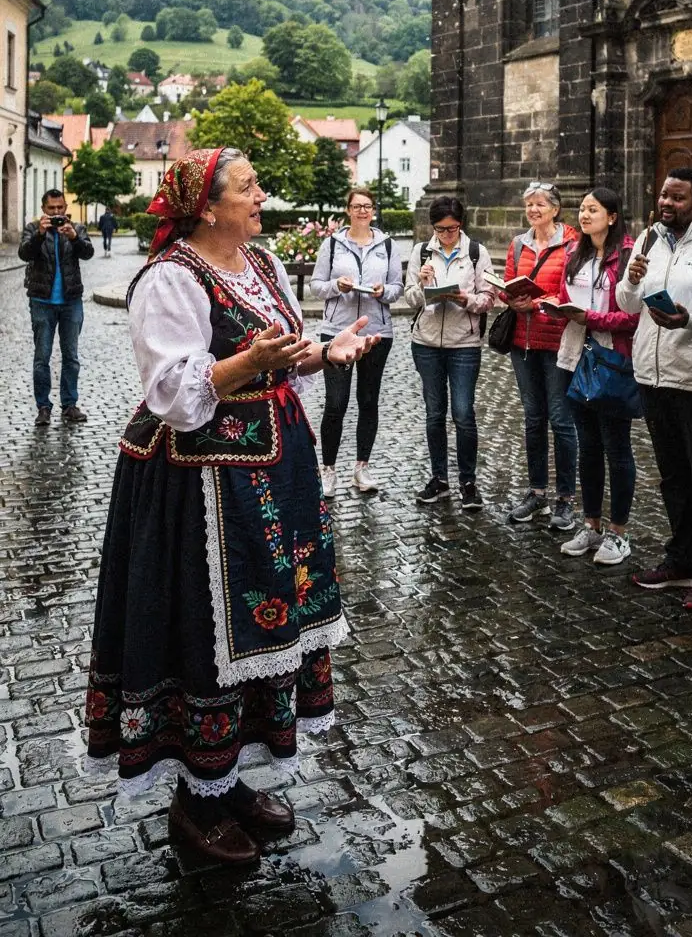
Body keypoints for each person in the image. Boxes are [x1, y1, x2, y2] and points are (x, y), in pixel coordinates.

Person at [84, 148, 378, 865]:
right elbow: (176, 396)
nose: (261, 194)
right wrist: (252, 363)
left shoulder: (267, 264)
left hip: (273, 473)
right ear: (207, 206)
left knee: (265, 618)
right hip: (198, 486)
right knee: (206, 628)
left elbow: (285, 348)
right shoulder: (170, 279)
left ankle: (232, 778)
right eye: (248, 187)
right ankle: (196, 800)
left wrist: (322, 351)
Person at [618, 169, 692, 612]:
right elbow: (627, 305)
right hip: (652, 376)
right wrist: (631, 279)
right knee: (672, 475)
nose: (667, 202)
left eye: (678, 197)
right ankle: (680, 558)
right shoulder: (648, 241)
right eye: (664, 195)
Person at [555, 188, 639, 565]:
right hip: (574, 357)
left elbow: (636, 316)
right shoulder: (576, 253)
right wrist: (551, 309)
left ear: (613, 215)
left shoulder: (630, 256)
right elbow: (565, 298)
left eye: (593, 209)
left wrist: (591, 319)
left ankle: (619, 533)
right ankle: (591, 525)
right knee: (588, 447)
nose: (584, 215)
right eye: (582, 208)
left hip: (612, 361)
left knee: (616, 447)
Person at [310, 186, 404, 497]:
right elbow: (316, 285)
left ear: (373, 210)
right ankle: (328, 469)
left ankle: (362, 466)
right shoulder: (332, 244)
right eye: (356, 206)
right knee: (335, 403)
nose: (362, 211)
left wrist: (382, 292)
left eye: (367, 206)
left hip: (377, 332)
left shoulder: (387, 245)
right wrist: (337, 285)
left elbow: (397, 288)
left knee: (368, 401)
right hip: (337, 331)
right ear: (348, 210)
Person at [406, 196, 494, 511]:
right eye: (442, 230)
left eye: (453, 229)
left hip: (464, 344)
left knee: (463, 413)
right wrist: (422, 283)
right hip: (426, 343)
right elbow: (410, 299)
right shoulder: (420, 252)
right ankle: (439, 479)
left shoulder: (476, 252)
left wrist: (464, 299)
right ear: (433, 227)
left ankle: (468, 482)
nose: (447, 235)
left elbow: (488, 298)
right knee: (434, 413)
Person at [502, 182, 578, 529]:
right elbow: (506, 283)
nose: (533, 210)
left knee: (561, 421)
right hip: (524, 342)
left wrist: (537, 301)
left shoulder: (573, 244)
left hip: (559, 342)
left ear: (555, 209)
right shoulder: (518, 245)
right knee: (533, 419)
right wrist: (511, 299)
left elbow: (571, 288)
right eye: (529, 204)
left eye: (539, 204)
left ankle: (565, 498)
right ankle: (537, 492)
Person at [19, 188, 94, 428]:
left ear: (65, 207)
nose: (57, 212)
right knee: (42, 357)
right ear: (44, 209)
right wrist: (40, 234)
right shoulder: (33, 229)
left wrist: (73, 236)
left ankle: (69, 405)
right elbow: (24, 253)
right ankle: (43, 407)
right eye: (51, 209)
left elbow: (88, 252)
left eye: (60, 208)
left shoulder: (76, 228)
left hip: (71, 301)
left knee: (71, 357)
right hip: (42, 302)